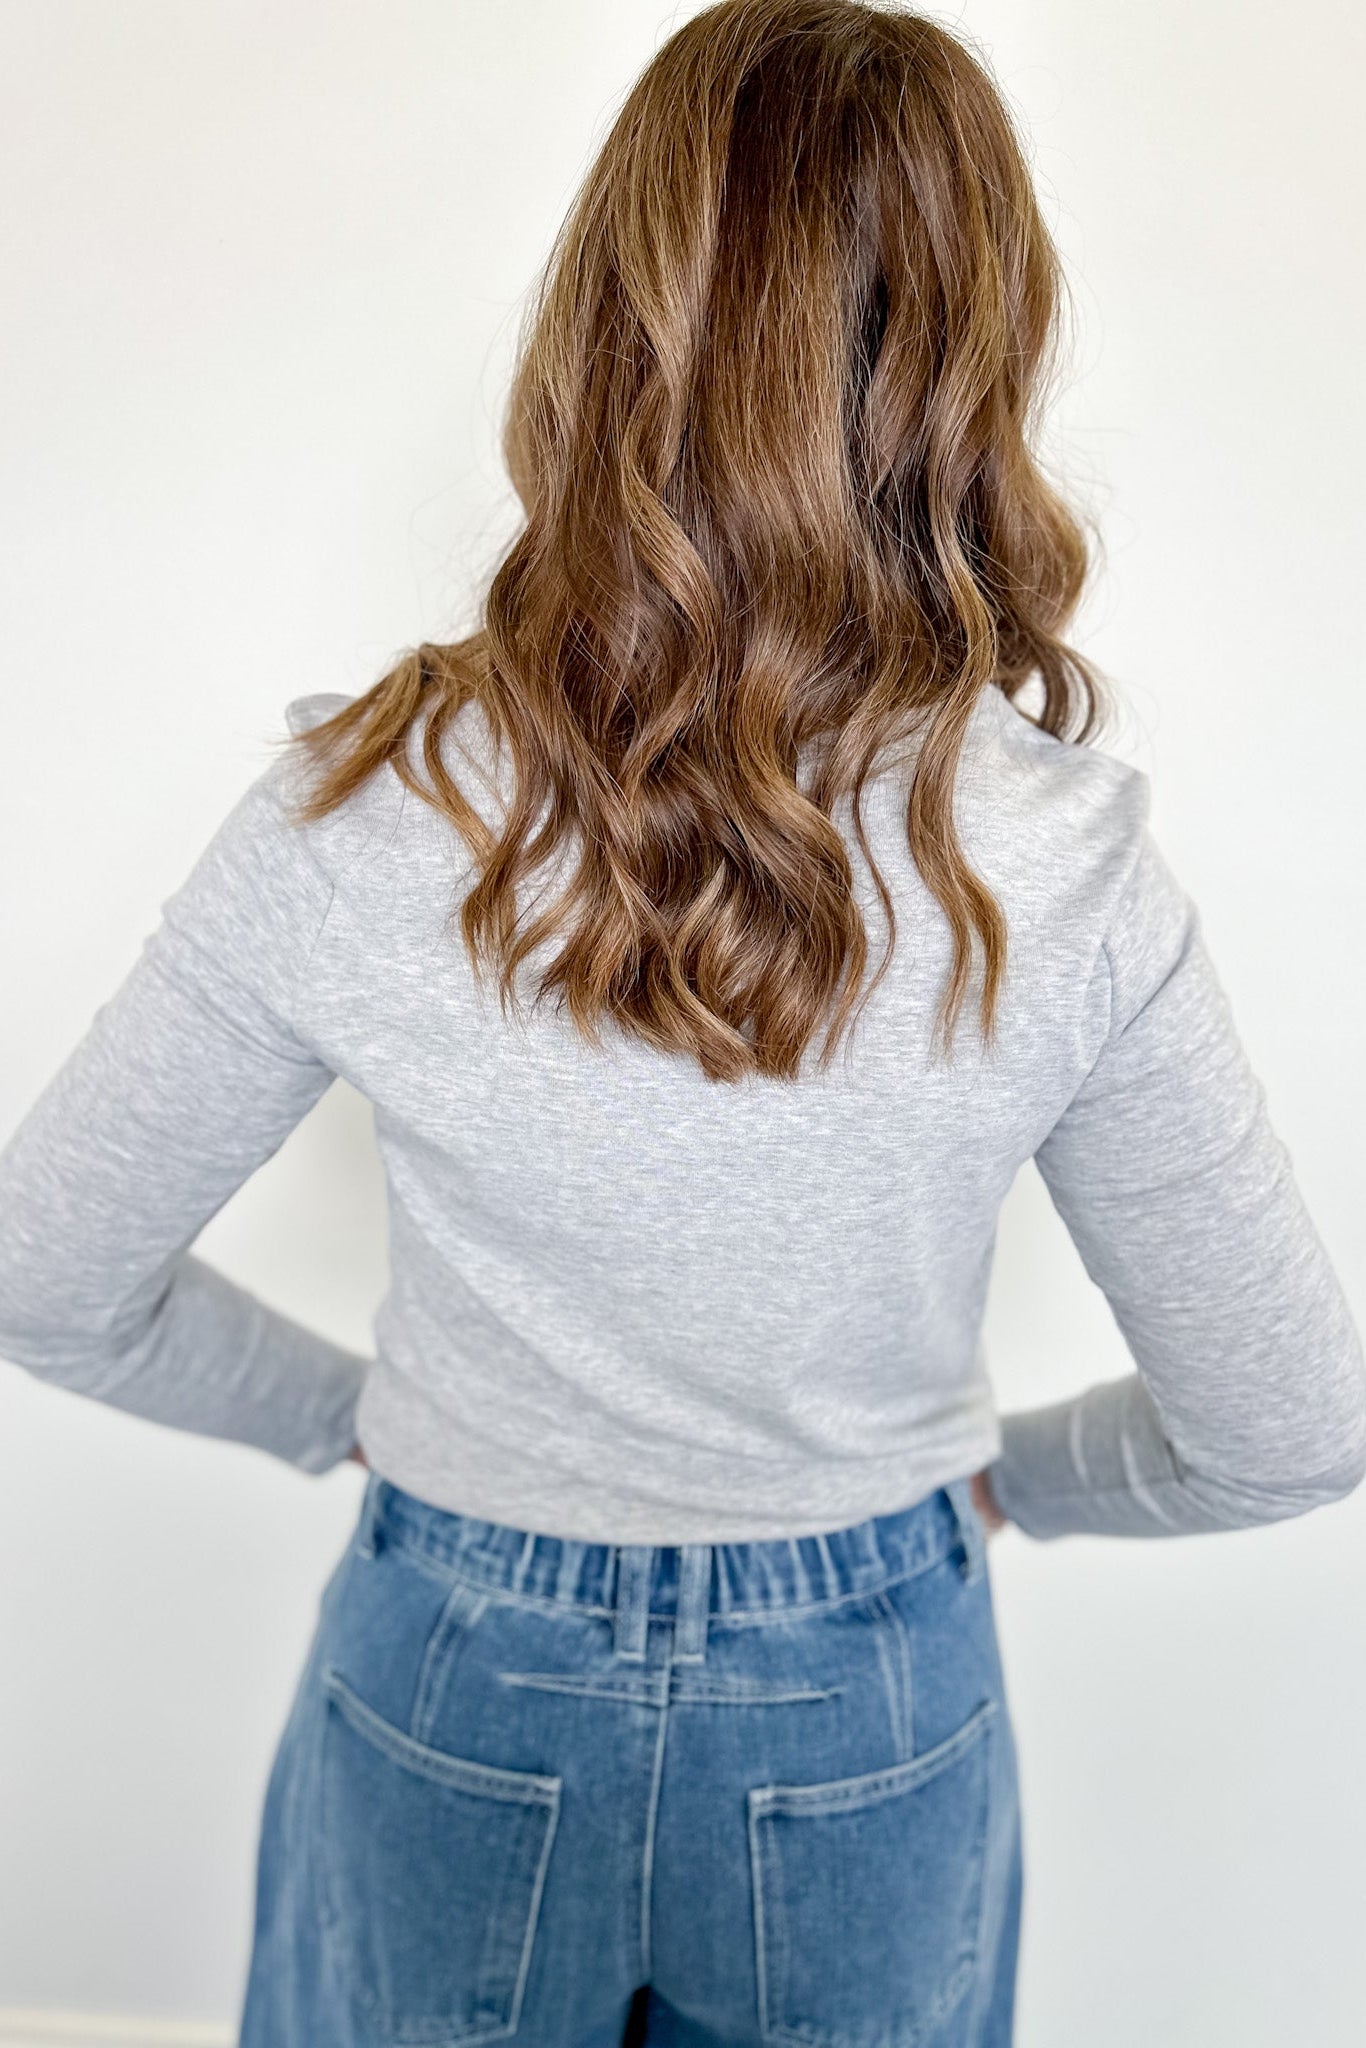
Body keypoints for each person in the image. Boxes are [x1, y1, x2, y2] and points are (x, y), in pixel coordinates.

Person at [1, 2, 1362, 2042]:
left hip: (452, 1647)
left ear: (607, 321)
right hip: (868, 1674)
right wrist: (1009, 1483)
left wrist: (346, 1421)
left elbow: (41, 1267)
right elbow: (1288, 1423)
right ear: (973, 350)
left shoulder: (364, 807)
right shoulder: (1065, 864)